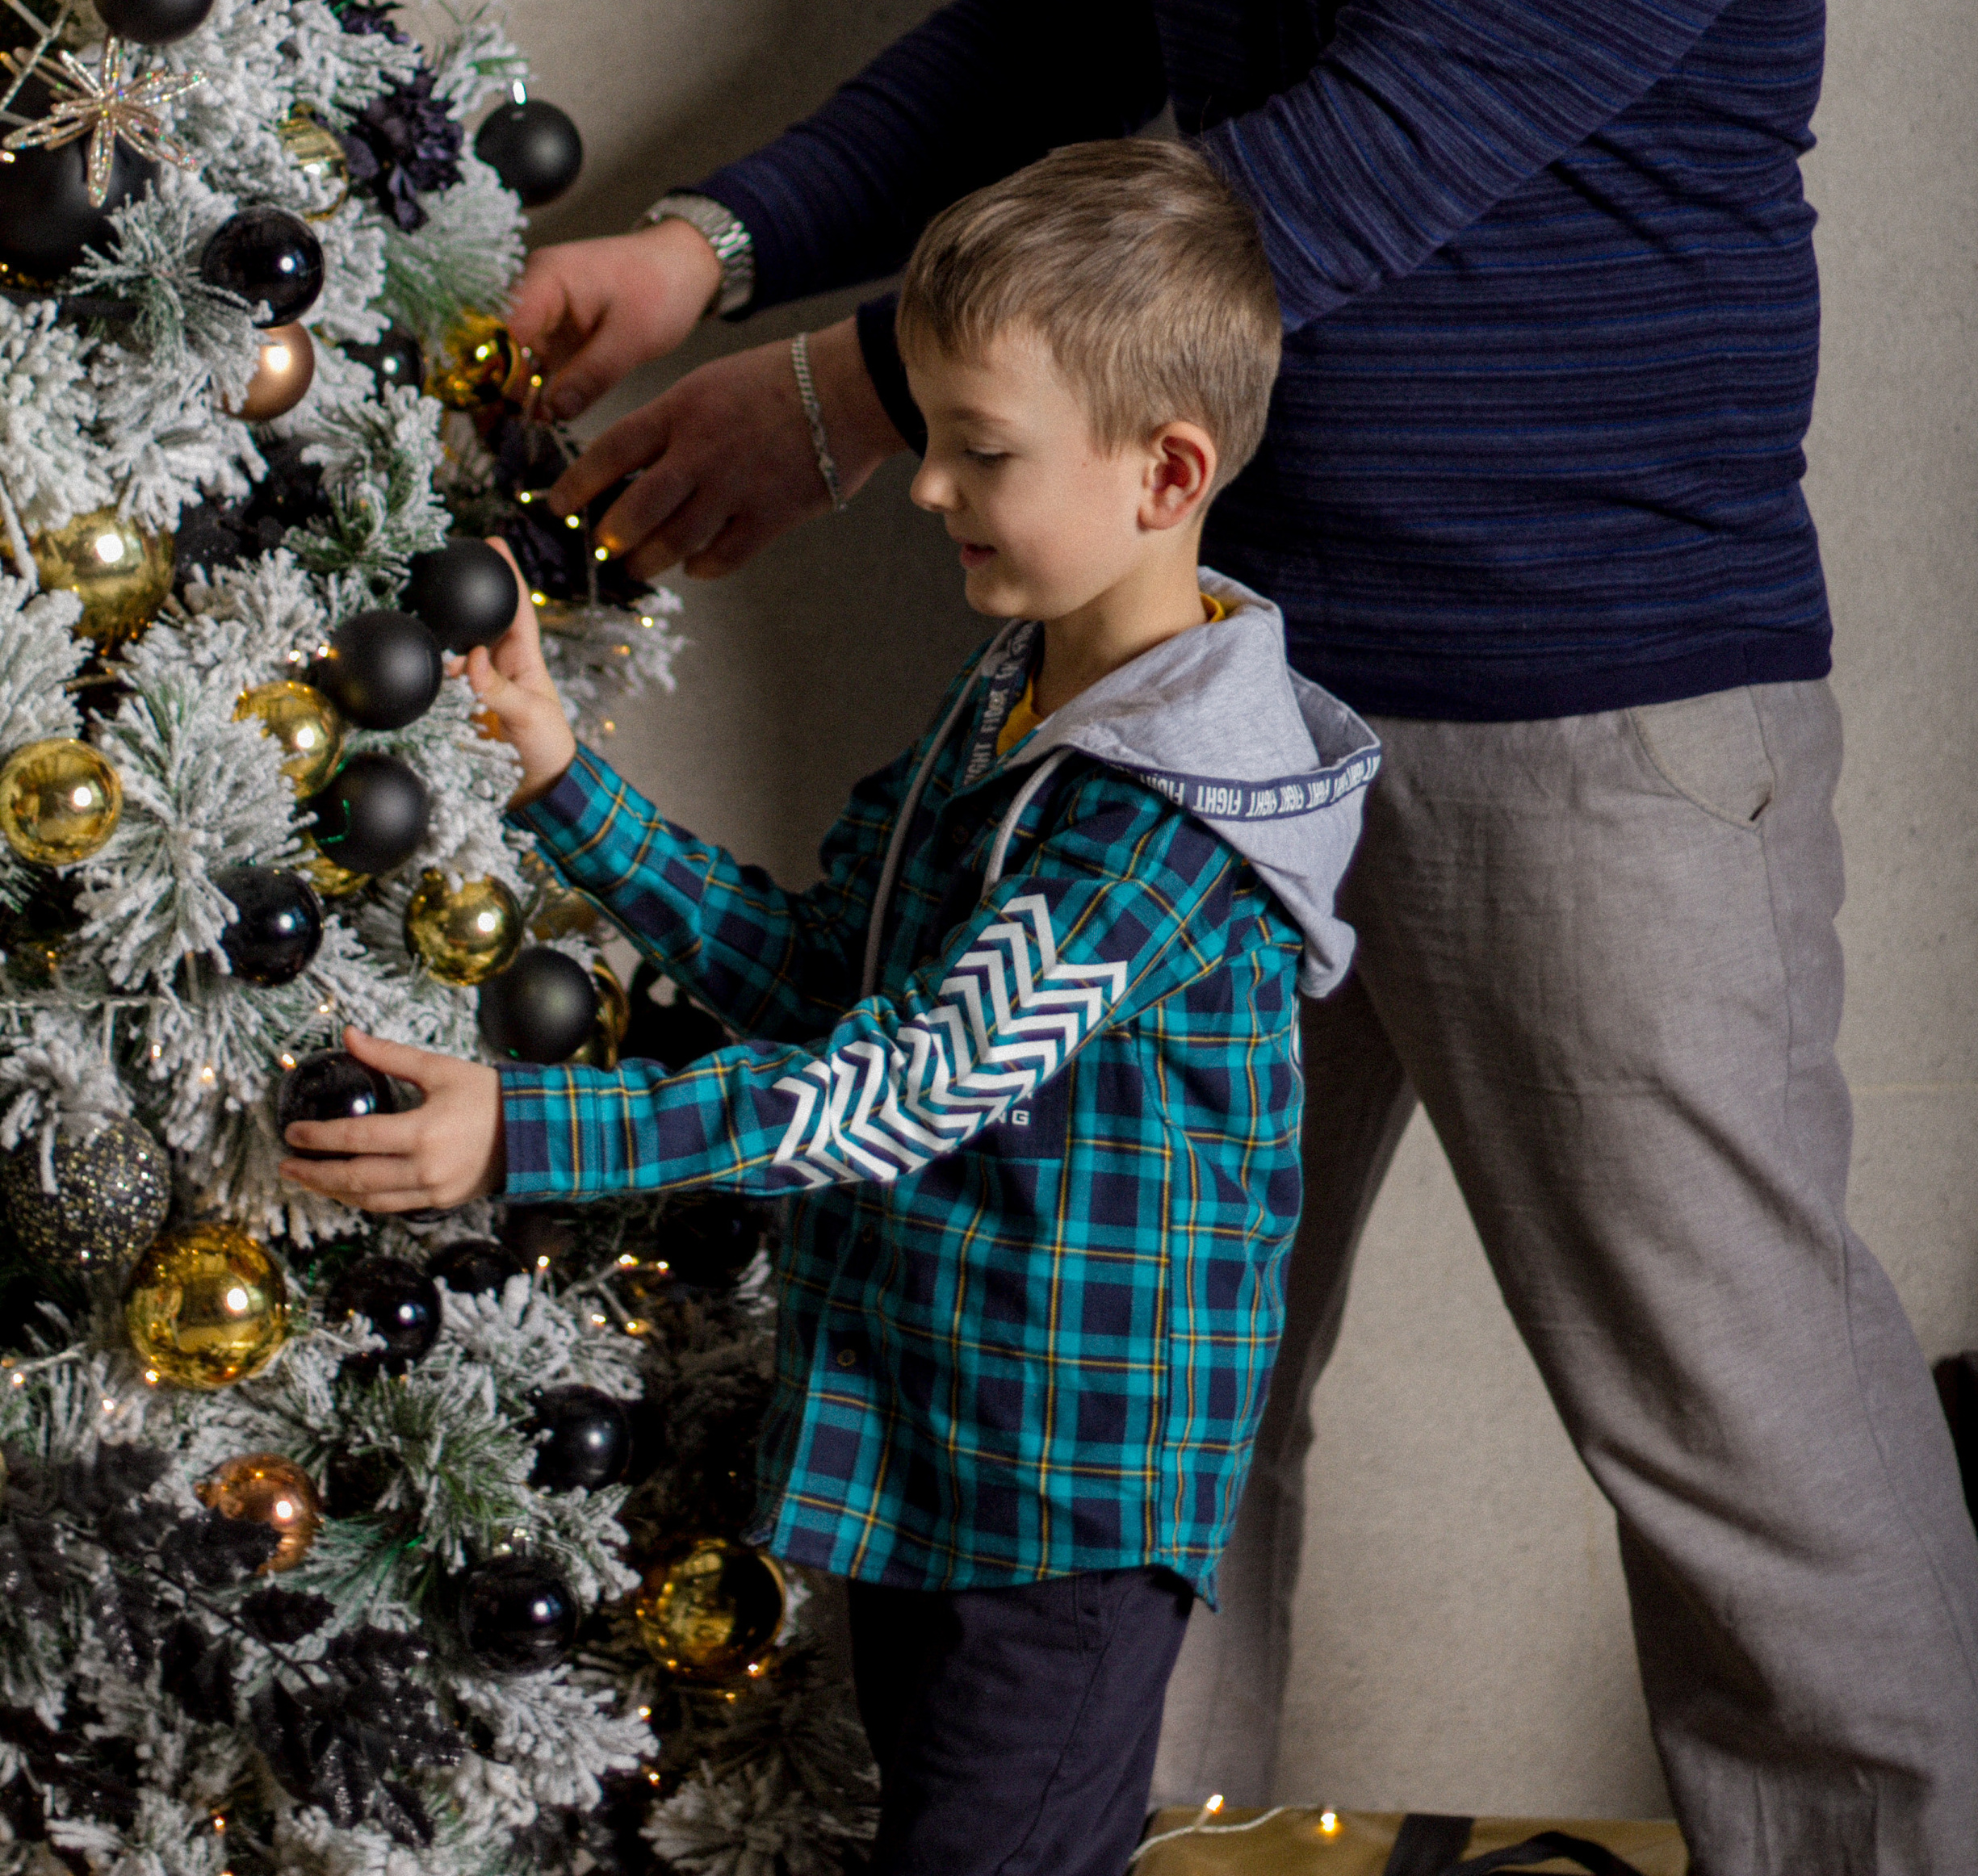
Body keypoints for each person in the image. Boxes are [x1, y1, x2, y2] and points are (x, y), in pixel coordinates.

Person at [502, 0, 1978, 1871]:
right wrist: (729, 241)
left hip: (1587, 712)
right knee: (1127, 1388)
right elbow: (1083, 20)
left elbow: (1325, 179)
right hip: (1199, 687)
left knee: (1750, 1468)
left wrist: (850, 403)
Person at [283, 140, 1378, 1876]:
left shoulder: (1164, 827)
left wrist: (523, 1130)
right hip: (931, 1458)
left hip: (1059, 1521)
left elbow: (905, 1084)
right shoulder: (1012, 700)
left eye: (981, 450)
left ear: (1165, 471)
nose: (927, 487)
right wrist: (568, 784)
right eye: (933, 435)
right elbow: (827, 977)